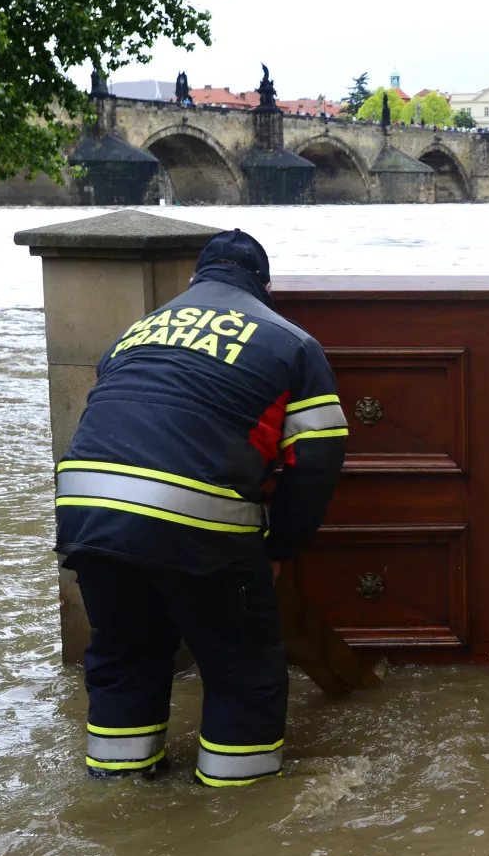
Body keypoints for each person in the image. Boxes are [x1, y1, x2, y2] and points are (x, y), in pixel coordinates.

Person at [55, 230, 347, 785]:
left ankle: (120, 799)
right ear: (265, 287)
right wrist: (278, 549)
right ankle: (235, 813)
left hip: (85, 512)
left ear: (194, 280)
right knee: (243, 669)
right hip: (194, 520)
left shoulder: (132, 334)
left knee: (123, 660)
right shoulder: (291, 342)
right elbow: (317, 459)